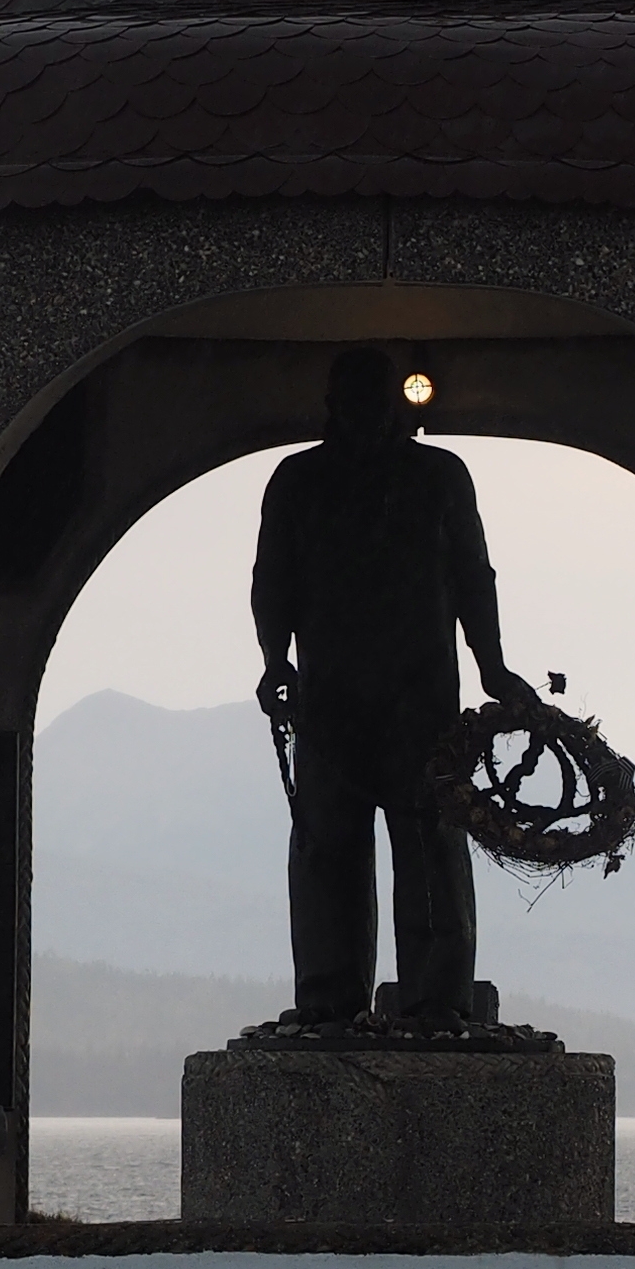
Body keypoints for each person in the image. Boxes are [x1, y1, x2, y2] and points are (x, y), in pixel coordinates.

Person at [251, 350, 522, 1027]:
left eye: (374, 396)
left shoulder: (434, 477)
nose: (366, 410)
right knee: (331, 844)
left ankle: (433, 999)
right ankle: (332, 999)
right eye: (356, 395)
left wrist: (491, 666)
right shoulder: (301, 480)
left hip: (416, 696)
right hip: (337, 697)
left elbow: (472, 577)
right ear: (333, 403)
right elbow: (272, 580)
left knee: (426, 842)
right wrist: (274, 659)